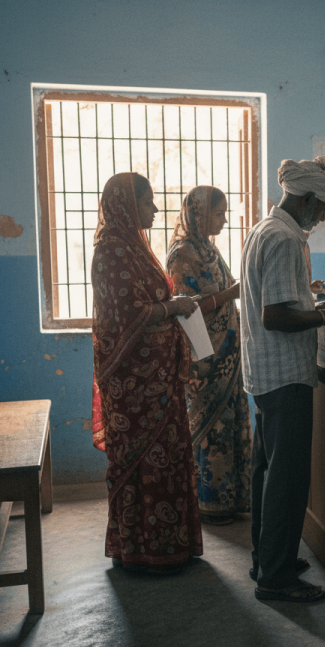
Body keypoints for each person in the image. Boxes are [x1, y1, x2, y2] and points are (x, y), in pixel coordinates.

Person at [240, 155, 325, 603]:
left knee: (268, 473)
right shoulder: (286, 238)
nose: (324, 216)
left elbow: (277, 308)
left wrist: (322, 311)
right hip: (285, 375)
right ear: (308, 198)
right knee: (288, 480)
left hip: (263, 372)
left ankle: (267, 559)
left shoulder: (262, 229)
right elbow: (277, 317)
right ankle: (276, 579)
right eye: (323, 207)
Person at [91, 172, 203, 574]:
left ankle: (172, 544)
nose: (155, 209)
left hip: (160, 378)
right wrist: (173, 308)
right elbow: (128, 315)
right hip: (133, 382)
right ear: (125, 205)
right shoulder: (111, 251)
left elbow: (149, 299)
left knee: (169, 455)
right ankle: (139, 548)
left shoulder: (136, 247)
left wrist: (173, 304)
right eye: (146, 202)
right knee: (142, 461)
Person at [166, 186, 252, 526]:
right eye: (218, 214)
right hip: (205, 358)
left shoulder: (210, 251)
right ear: (198, 215)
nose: (224, 220)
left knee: (230, 423)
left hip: (228, 354)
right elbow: (185, 307)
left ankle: (231, 500)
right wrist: (229, 294)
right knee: (210, 428)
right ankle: (208, 503)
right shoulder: (182, 254)